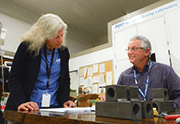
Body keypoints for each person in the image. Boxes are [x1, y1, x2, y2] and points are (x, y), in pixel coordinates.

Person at [5, 13, 74, 111]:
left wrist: (65, 99)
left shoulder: (63, 52)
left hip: (53, 108)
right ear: (44, 35)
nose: (61, 40)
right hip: (29, 107)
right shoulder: (27, 47)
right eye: (56, 37)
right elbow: (15, 78)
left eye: (62, 35)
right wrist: (21, 102)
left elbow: (65, 79)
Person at [101, 35, 180, 108]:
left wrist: (166, 107)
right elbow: (117, 100)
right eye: (128, 49)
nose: (129, 53)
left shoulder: (165, 71)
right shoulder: (124, 76)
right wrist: (108, 98)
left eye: (134, 49)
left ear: (146, 52)